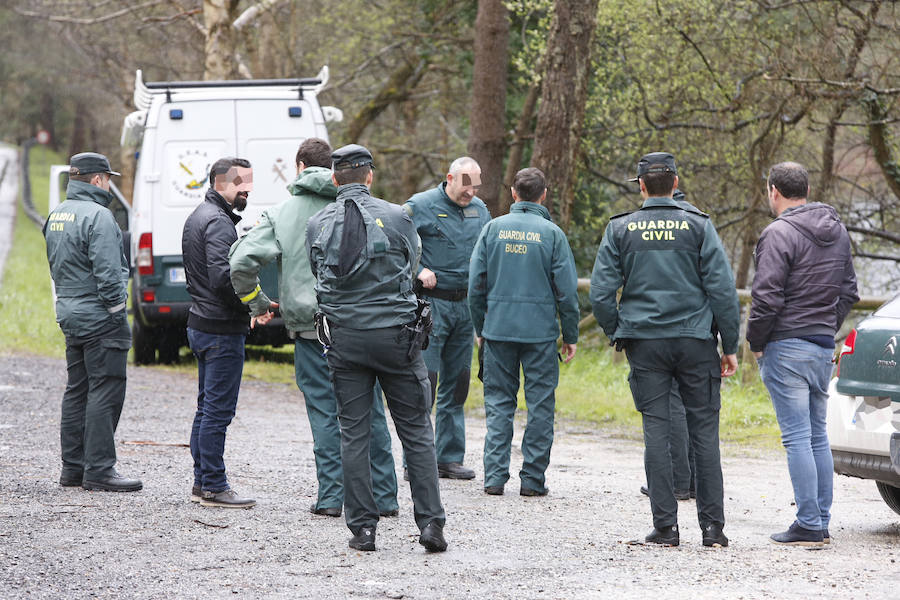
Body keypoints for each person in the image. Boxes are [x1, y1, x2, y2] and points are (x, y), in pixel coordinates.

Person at [229, 138, 399, 518]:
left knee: (325, 413)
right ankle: (384, 498)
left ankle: (332, 498)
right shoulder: (370, 206)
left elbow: (240, 262)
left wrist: (257, 303)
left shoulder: (284, 213)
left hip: (312, 332)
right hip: (364, 327)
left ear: (300, 167)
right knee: (370, 412)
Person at [590, 152, 740, 548]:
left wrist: (616, 331)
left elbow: (601, 292)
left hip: (646, 344)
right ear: (675, 183)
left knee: (656, 430)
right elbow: (723, 289)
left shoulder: (620, 229)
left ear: (640, 185)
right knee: (705, 433)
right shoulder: (698, 226)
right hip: (695, 341)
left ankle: (665, 527)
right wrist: (730, 344)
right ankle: (713, 529)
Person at [306, 144, 447, 553]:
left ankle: (363, 530)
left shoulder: (317, 224)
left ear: (334, 179)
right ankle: (431, 526)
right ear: (369, 176)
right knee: (417, 431)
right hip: (397, 339)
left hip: (346, 339)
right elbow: (412, 264)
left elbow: (318, 273)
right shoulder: (399, 217)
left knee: (354, 433)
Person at [748, 161, 858, 547]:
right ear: (807, 190)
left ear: (773, 191)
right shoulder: (838, 232)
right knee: (816, 436)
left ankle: (810, 523)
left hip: (786, 345)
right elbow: (848, 292)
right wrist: (828, 327)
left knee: (797, 436)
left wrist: (756, 342)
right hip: (821, 346)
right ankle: (820, 521)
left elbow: (766, 297)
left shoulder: (778, 234)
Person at [468, 167, 579, 497]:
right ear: (543, 195)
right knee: (541, 406)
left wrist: (480, 326)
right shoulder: (552, 234)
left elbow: (476, 286)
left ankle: (494, 478)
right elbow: (568, 293)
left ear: (514, 194)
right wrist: (570, 335)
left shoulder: (492, 230)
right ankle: (532, 480)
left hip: (498, 330)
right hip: (540, 334)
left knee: (500, 403)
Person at [44, 152, 142, 492]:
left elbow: (56, 267)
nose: (110, 184)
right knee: (106, 388)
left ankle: (72, 469)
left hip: (70, 313)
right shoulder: (100, 217)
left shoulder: (56, 214)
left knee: (77, 389)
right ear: (98, 179)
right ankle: (100, 469)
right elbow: (108, 273)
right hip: (101, 317)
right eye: (108, 178)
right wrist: (118, 312)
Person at [403, 157, 491, 480]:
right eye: (465, 185)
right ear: (450, 178)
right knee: (425, 380)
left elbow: (487, 257)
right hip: (431, 307)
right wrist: (418, 268)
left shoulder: (480, 210)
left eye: (475, 186)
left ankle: (448, 457)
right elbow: (396, 243)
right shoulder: (420, 206)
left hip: (465, 307)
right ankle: (416, 459)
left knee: (457, 383)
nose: (471, 192)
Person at [182, 157, 255, 509]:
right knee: (218, 412)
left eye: (249, 182)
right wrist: (252, 306)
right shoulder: (218, 222)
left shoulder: (200, 215)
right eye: (240, 182)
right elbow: (222, 279)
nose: (247, 189)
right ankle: (213, 484)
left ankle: (202, 481)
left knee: (206, 408)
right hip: (220, 330)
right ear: (218, 182)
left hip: (201, 324)